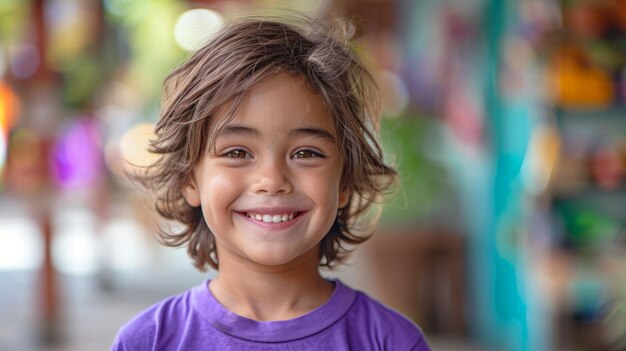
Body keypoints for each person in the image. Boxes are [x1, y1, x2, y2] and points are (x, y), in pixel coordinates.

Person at [111, 14, 431, 351]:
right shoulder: (147, 342)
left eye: (306, 153)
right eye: (236, 152)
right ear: (190, 178)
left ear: (344, 182)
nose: (272, 181)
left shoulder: (391, 342)